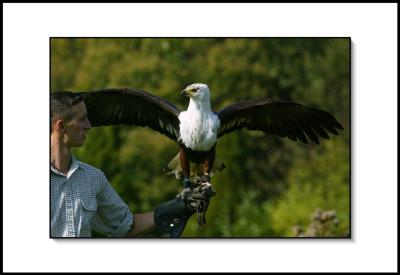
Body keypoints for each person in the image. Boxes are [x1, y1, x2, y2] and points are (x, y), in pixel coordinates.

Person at [50, 91, 209, 237]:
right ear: (61, 126)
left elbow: (127, 227)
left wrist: (180, 206)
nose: (89, 125)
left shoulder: (93, 178)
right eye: (82, 119)